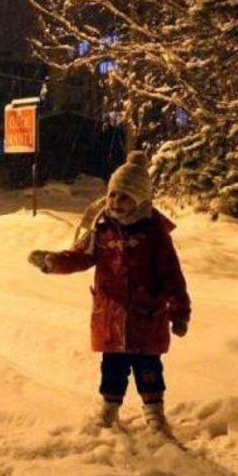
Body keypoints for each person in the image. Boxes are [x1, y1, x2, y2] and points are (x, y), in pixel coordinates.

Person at [28, 150, 190, 431]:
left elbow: (171, 274)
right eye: (113, 194)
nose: (116, 202)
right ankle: (109, 408)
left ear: (140, 200)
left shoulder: (153, 232)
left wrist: (179, 312)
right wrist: (53, 262)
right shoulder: (102, 227)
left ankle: (154, 411)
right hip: (110, 313)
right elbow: (80, 256)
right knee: (112, 366)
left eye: (124, 197)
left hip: (147, 314)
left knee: (148, 367)